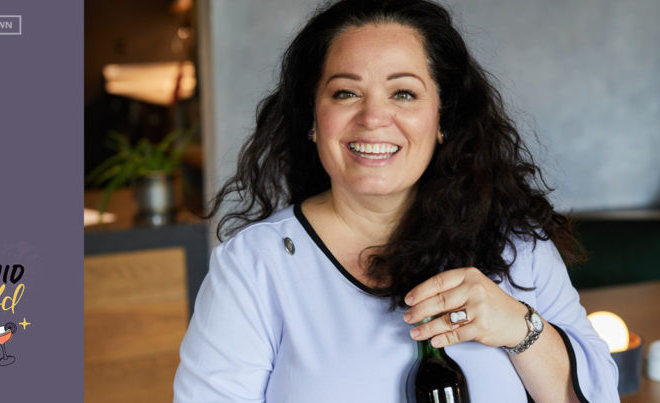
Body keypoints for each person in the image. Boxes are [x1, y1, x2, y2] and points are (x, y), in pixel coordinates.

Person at [174, 0, 619, 401]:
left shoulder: (517, 244)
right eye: (346, 92)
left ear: (442, 118)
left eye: (403, 93)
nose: (373, 118)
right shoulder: (254, 266)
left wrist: (521, 329)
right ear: (313, 118)